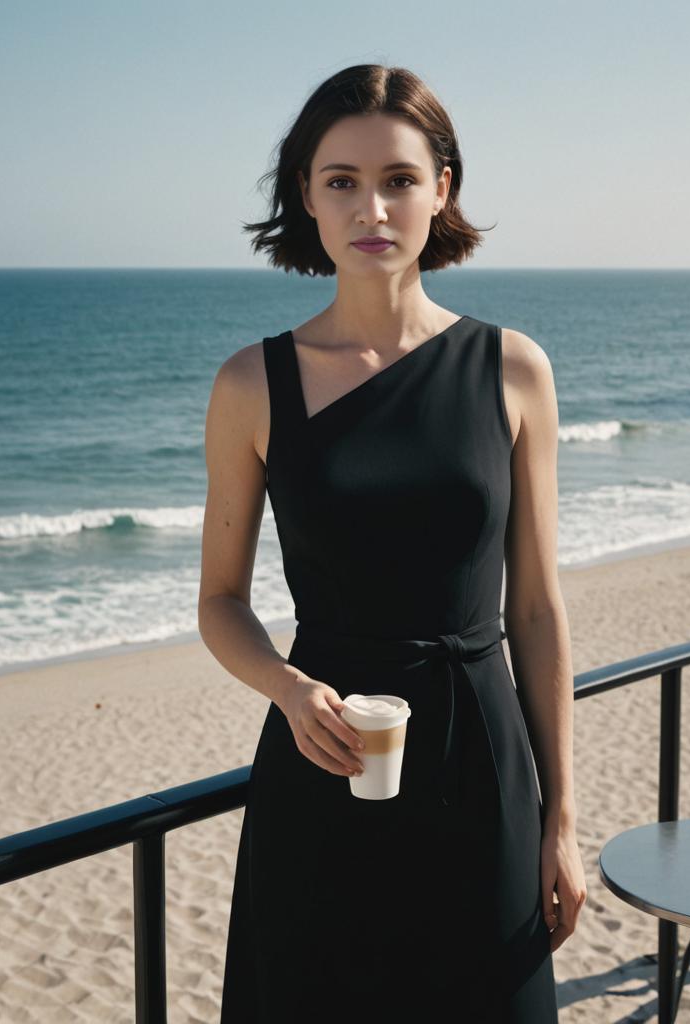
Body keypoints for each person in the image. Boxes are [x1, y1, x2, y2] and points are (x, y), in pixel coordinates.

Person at [198, 63, 586, 1022]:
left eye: (400, 179)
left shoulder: (514, 368)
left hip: (484, 771)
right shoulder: (253, 384)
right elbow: (219, 603)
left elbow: (535, 609)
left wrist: (562, 819)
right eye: (341, 180)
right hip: (323, 761)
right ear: (307, 196)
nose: (372, 206)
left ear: (442, 188)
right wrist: (288, 691)